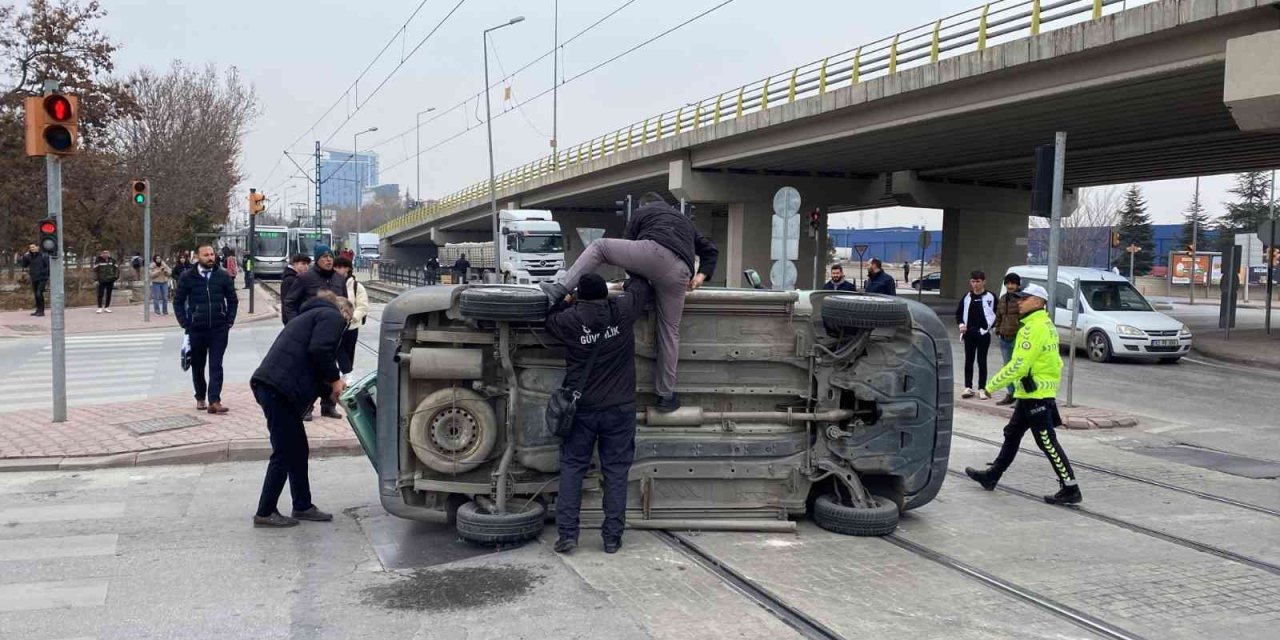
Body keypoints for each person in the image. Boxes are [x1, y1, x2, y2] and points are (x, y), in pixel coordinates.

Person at [541, 192, 718, 413]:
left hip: (655, 254)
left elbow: (629, 250)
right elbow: (710, 250)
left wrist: (635, 285)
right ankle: (666, 396)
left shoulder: (642, 211)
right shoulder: (683, 220)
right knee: (669, 331)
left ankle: (559, 289)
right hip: (681, 272)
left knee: (600, 247)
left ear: (642, 206)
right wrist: (700, 276)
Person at [545, 273, 653, 554]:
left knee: (573, 469)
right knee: (616, 473)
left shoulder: (570, 320)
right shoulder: (621, 312)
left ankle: (568, 535)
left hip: (581, 409)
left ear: (580, 296)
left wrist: (567, 298)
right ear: (604, 295)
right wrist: (624, 284)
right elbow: (641, 286)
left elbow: (550, 312)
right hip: (620, 408)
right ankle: (612, 538)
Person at [965, 283, 1081, 505]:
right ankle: (992, 476)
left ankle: (1070, 487)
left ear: (1038, 302)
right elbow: (1055, 362)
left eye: (1024, 298)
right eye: (1018, 297)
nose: (1019, 301)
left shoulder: (1032, 328)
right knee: (1012, 433)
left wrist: (990, 386)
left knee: (1046, 440)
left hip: (1035, 393)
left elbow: (1018, 364)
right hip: (1034, 391)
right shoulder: (1045, 324)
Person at [250, 290, 353, 528]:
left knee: (297, 449)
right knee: (285, 451)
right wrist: (336, 380)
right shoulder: (332, 316)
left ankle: (302, 505)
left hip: (275, 387)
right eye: (348, 319)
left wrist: (330, 392)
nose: (346, 325)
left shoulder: (311, 316)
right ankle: (265, 511)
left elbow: (311, 364)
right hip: (279, 389)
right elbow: (320, 351)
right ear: (344, 311)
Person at [283, 245, 347, 421]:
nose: (328, 260)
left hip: (331, 332)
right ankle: (306, 406)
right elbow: (289, 302)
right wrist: (294, 323)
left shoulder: (338, 279)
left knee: (330, 366)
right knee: (308, 370)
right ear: (317, 259)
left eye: (331, 257)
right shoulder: (305, 278)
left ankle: (328, 405)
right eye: (324, 257)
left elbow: (344, 302)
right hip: (309, 332)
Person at [175, 245, 239, 415]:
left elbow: (233, 300)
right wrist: (185, 322)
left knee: (216, 364)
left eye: (212, 254)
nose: (210, 257)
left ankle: (215, 400)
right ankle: (200, 396)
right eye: (206, 255)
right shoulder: (187, 276)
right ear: (197, 256)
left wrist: (229, 320)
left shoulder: (223, 275)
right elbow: (178, 301)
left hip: (219, 328)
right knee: (198, 365)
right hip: (196, 329)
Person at [955, 270, 997, 400]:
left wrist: (989, 327)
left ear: (984, 281)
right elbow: (959, 313)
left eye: (978, 281)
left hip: (983, 334)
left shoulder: (991, 297)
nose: (975, 284)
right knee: (969, 360)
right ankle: (968, 387)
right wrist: (961, 325)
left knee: (982, 361)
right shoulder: (967, 297)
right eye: (973, 281)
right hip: (969, 334)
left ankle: (981, 388)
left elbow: (997, 314)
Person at [332, 256, 369, 384]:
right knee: (338, 349)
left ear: (347, 269)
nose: (337, 269)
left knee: (349, 350)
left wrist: (353, 317)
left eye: (340, 267)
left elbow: (362, 305)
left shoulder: (356, 286)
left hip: (352, 325)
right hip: (335, 324)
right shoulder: (331, 283)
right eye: (335, 267)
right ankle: (347, 373)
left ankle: (347, 374)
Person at [992, 273, 1023, 406]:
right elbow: (999, 316)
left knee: (1019, 368)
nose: (1010, 286)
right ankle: (1010, 394)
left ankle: (1020, 397)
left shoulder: (1022, 299)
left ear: (1018, 285)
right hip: (1004, 338)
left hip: (1017, 338)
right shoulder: (1003, 299)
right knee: (1007, 368)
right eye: (1008, 283)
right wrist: (998, 330)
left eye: (1013, 283)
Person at [18, 244, 49, 317]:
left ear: (37, 247)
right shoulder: (30, 256)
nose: (32, 248)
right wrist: (24, 257)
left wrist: (45, 274)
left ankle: (41, 311)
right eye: (30, 247)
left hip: (42, 277)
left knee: (39, 293)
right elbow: (24, 265)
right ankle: (38, 310)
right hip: (34, 277)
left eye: (33, 247)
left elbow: (48, 266)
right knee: (36, 294)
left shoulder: (42, 255)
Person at [279, 254, 312, 323]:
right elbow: (287, 302)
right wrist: (293, 320)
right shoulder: (290, 280)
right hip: (293, 319)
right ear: (295, 264)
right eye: (303, 264)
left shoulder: (298, 278)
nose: (306, 267)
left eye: (307, 264)